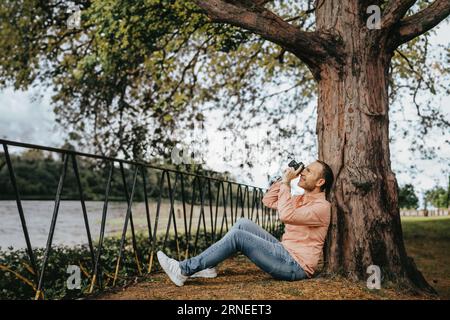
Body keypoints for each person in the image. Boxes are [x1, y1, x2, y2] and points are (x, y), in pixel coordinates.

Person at [157, 160, 334, 286]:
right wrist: (283, 179)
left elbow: (286, 215)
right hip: (285, 251)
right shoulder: (299, 199)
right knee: (243, 223)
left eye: (308, 171)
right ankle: (208, 266)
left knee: (238, 236)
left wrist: (288, 184)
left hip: (295, 266)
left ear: (320, 182)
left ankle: (183, 270)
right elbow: (268, 200)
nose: (303, 172)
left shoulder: (322, 207)